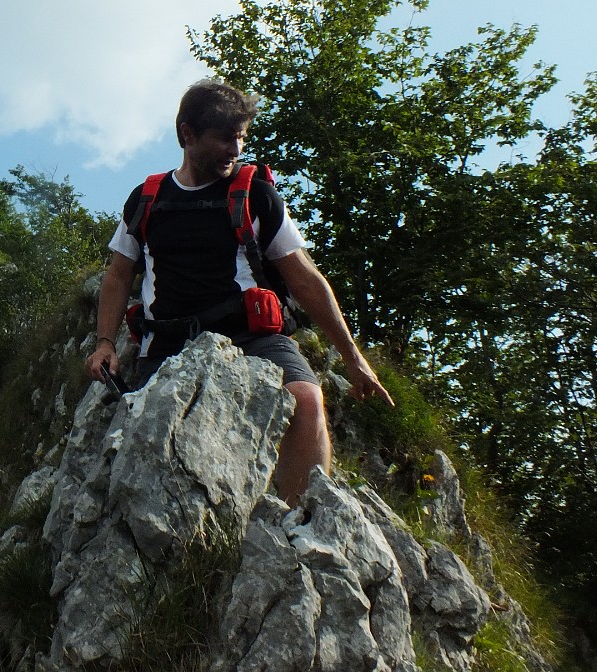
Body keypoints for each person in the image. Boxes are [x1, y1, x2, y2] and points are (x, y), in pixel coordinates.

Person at [84, 79, 394, 504]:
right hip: (168, 346)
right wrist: (105, 343)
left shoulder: (257, 195)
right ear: (186, 134)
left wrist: (354, 359)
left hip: (253, 337)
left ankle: (303, 523)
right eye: (224, 138)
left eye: (241, 138)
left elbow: (304, 278)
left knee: (305, 398)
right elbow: (118, 276)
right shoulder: (147, 199)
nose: (235, 149)